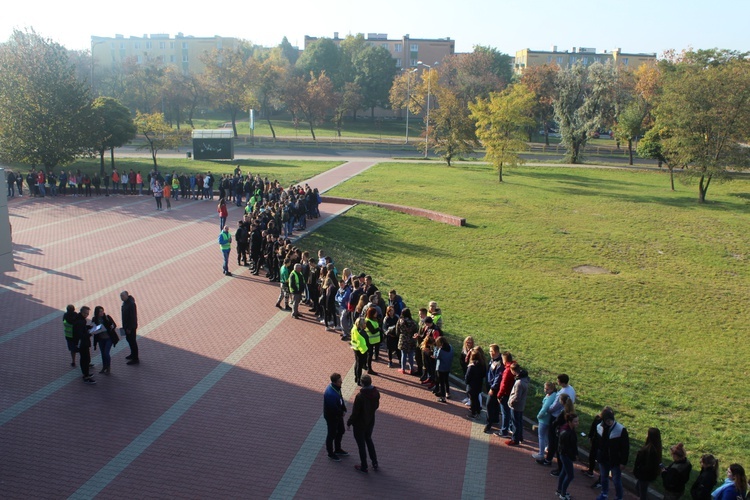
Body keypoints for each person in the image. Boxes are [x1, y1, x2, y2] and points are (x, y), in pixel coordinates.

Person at [347, 374, 380, 474]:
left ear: (362, 383)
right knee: (369, 440)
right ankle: (374, 462)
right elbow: (376, 406)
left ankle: (364, 466)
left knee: (361, 445)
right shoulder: (376, 393)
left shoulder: (360, 396)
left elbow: (355, 412)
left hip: (360, 424)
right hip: (370, 421)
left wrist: (349, 422)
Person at [596, 407, 630, 500]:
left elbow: (625, 448)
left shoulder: (621, 429)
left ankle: (619, 497)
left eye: (611, 420)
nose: (610, 422)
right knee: (603, 477)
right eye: (607, 421)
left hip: (615, 459)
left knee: (616, 480)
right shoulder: (599, 427)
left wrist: (623, 462)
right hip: (603, 458)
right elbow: (597, 443)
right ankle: (604, 493)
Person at [323, 373, 348, 462]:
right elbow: (333, 408)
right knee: (331, 434)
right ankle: (330, 453)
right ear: (335, 382)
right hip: (332, 417)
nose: (342, 382)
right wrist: (341, 413)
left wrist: (343, 408)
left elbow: (340, 398)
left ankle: (338, 449)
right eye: (340, 381)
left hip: (337, 415)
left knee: (341, 430)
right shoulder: (330, 394)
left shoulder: (336, 388)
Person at [633, 427, 663, 500]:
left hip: (644, 475)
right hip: (649, 475)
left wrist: (638, 470)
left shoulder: (648, 450)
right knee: (639, 488)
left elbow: (644, 464)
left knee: (642, 491)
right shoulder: (657, 447)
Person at [555, 412, 579, 500]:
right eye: (575, 422)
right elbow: (570, 447)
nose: (577, 423)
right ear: (569, 422)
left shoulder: (565, 429)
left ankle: (559, 490)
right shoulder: (568, 433)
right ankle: (563, 493)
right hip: (566, 456)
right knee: (570, 475)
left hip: (563, 454)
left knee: (564, 472)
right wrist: (574, 456)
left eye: (577, 421)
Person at [532, 381, 557, 460]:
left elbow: (544, 408)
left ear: (552, 389)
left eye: (547, 389)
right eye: (545, 388)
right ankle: (548, 447)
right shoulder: (554, 395)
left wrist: (539, 416)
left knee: (541, 436)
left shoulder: (550, 397)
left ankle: (541, 454)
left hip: (544, 419)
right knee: (546, 435)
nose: (545, 390)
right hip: (549, 419)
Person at [506, 362, 529, 446]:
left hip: (516, 406)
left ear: (513, 371)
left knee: (515, 422)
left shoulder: (519, 382)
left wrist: (510, 402)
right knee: (519, 422)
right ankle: (520, 437)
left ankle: (515, 439)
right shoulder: (525, 379)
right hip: (521, 405)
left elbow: (517, 397)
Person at [92, 305, 119, 375]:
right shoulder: (94, 319)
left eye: (102, 311)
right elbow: (93, 327)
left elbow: (114, 325)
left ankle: (108, 367)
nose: (102, 312)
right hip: (101, 338)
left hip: (108, 338)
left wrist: (111, 326)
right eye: (100, 311)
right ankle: (104, 367)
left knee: (106, 353)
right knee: (102, 353)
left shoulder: (107, 317)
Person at [72, 306, 95, 384]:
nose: (87, 315)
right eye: (85, 313)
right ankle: (86, 376)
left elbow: (82, 329)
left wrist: (88, 327)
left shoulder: (80, 319)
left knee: (85, 359)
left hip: (82, 343)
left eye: (88, 314)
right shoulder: (80, 321)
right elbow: (80, 335)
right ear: (82, 312)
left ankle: (86, 373)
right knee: (85, 359)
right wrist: (90, 334)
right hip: (82, 343)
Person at [484, 344, 503, 434]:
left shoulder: (499, 363)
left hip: (494, 388)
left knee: (489, 404)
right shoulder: (493, 360)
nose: (489, 353)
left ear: (495, 352)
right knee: (494, 404)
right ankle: (495, 419)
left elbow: (498, 377)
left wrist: (493, 388)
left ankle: (488, 424)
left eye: (490, 351)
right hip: (490, 385)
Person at [396, 308, 418, 374]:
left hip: (403, 339)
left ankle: (403, 369)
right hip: (411, 339)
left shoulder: (400, 321)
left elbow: (397, 331)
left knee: (404, 354)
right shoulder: (413, 322)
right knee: (411, 355)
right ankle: (411, 368)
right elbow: (416, 330)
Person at [464, 349, 485, 419]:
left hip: (471, 386)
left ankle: (473, 413)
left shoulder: (471, 366)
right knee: (476, 399)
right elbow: (484, 374)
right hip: (478, 385)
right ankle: (478, 411)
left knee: (472, 399)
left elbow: (467, 377)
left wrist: (467, 382)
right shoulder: (482, 365)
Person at [120, 291, 139, 365]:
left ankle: (135, 358)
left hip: (130, 327)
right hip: (127, 326)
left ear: (127, 296)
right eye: (120, 296)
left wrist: (129, 328)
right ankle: (132, 354)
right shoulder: (125, 302)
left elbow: (132, 317)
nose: (121, 298)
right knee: (129, 340)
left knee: (132, 341)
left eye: (122, 296)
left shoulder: (131, 304)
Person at [350, 317, 370, 386]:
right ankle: (359, 380)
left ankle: (356, 377)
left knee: (357, 363)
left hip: (356, 348)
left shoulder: (354, 329)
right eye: (364, 323)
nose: (365, 325)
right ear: (361, 325)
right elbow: (367, 342)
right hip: (362, 350)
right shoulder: (362, 333)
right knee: (360, 365)